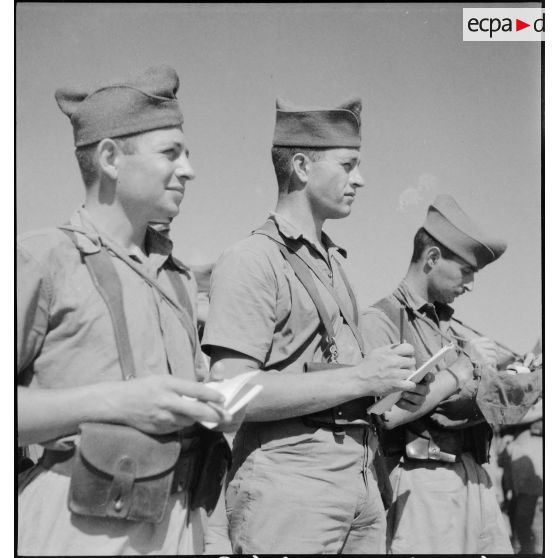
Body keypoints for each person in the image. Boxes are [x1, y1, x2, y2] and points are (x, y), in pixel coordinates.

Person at [17, 65, 233, 555]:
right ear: (111, 158)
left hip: (180, 521)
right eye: (170, 154)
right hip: (79, 526)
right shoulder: (42, 258)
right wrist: (119, 402)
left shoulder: (176, 278)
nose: (189, 170)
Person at [201, 97, 430, 554]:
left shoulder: (330, 262)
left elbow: (333, 375)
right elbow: (230, 394)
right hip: (290, 482)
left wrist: (386, 384)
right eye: (348, 165)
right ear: (302, 166)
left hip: (360, 476)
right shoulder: (253, 259)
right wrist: (363, 376)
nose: (359, 179)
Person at [360, 194, 543, 554]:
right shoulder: (381, 320)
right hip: (423, 483)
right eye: (467, 271)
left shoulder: (451, 329)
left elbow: (487, 406)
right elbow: (385, 414)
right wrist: (463, 369)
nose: (471, 284)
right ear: (432, 258)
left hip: (476, 478)